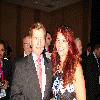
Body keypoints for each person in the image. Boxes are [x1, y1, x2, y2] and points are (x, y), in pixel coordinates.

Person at [10, 22, 53, 100]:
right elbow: (14, 96)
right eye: (35, 38)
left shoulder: (50, 64)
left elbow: (49, 94)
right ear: (30, 41)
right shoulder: (20, 65)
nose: (39, 42)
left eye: (41, 38)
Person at [50, 25, 86, 100]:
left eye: (64, 40)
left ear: (69, 44)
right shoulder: (56, 66)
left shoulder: (75, 67)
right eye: (58, 40)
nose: (60, 44)